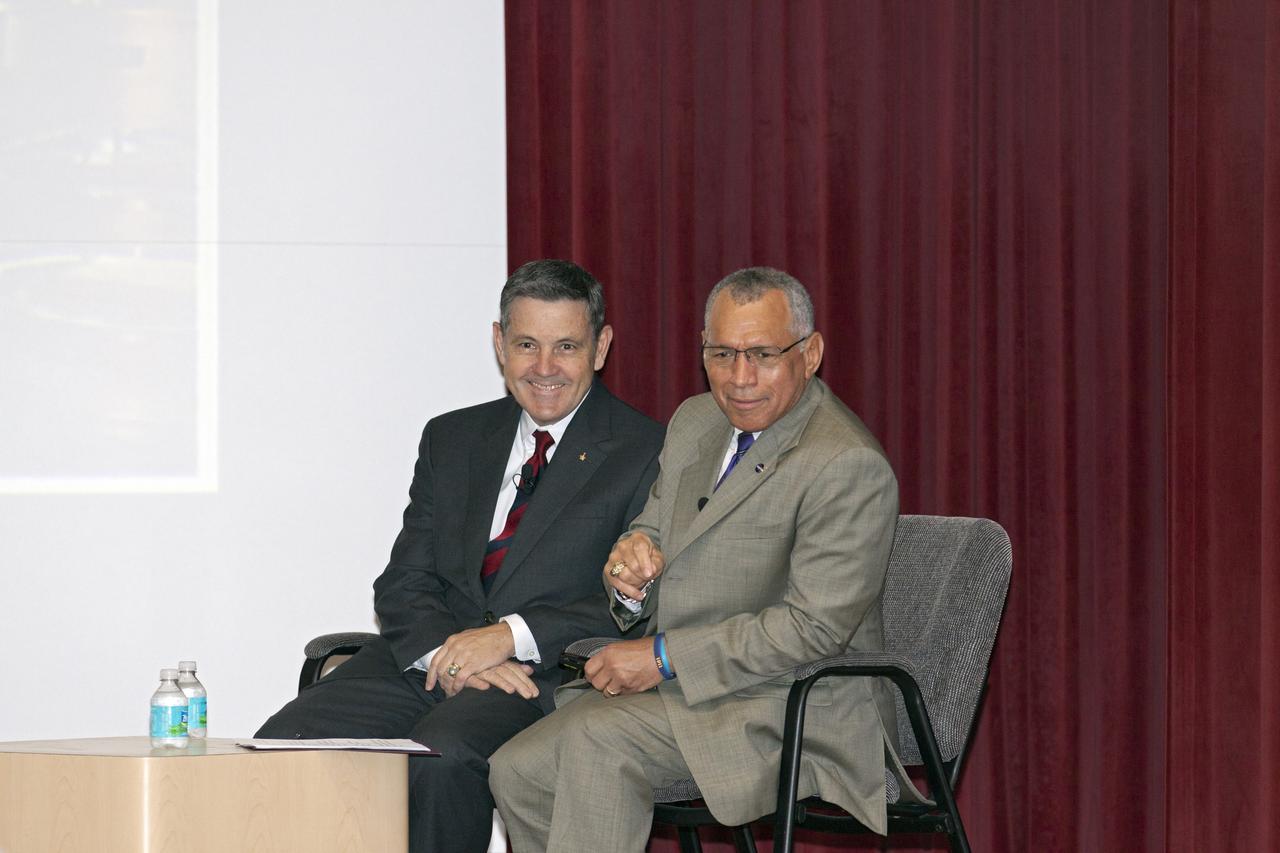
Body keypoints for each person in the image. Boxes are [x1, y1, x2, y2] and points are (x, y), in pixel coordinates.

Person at [255, 259, 665, 853]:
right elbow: (403, 581)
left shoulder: (647, 450)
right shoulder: (452, 438)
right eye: (526, 344)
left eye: (566, 347)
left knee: (440, 758)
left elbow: (630, 604)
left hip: (542, 674)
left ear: (601, 348)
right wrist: (450, 654)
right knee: (284, 741)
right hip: (428, 658)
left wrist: (506, 637)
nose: (544, 368)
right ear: (499, 344)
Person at [489, 267, 902, 851]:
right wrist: (629, 574)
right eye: (721, 353)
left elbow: (813, 629)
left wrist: (661, 655)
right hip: (692, 694)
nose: (739, 378)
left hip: (795, 705)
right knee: (517, 770)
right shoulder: (695, 422)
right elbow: (648, 534)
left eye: (761, 354)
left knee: (598, 745)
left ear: (809, 354)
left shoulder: (844, 464)